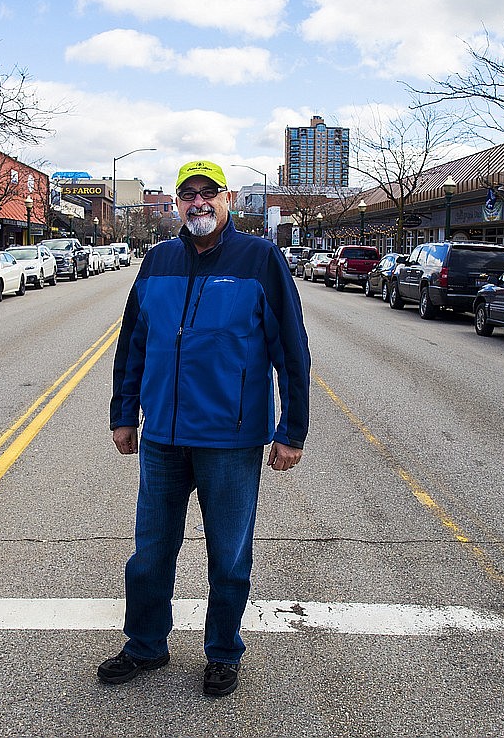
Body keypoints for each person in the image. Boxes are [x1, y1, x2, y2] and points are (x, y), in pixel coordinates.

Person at [100, 160, 310, 698]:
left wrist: (293, 430)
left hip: (230, 440)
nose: (198, 202)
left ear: (229, 200)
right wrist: (124, 414)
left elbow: (291, 351)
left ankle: (222, 652)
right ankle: (146, 644)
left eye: (207, 193)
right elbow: (133, 345)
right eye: (187, 194)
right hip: (164, 438)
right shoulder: (157, 261)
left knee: (229, 555)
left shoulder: (260, 259)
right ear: (176, 204)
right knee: (150, 552)